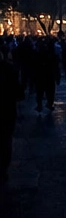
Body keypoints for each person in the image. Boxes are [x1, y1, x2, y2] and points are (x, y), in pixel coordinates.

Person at [0, 45, 20, 185]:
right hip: (7, 109)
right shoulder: (9, 69)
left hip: (7, 108)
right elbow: (18, 92)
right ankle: (3, 168)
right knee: (6, 139)